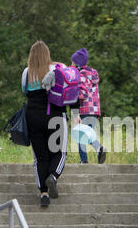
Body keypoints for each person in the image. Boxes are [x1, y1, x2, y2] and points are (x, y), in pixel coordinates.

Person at [21, 41, 68, 207]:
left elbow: (24, 91)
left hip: (33, 116)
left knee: (40, 157)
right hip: (54, 115)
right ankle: (53, 177)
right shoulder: (58, 68)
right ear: (47, 54)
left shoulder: (27, 72)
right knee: (59, 153)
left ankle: (43, 194)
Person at [71, 48, 106, 164]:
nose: (72, 64)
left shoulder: (81, 74)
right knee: (88, 134)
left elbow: (83, 93)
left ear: (77, 63)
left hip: (85, 109)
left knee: (81, 134)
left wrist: (72, 94)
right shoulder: (93, 73)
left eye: (73, 61)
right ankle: (99, 149)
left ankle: (84, 160)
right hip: (95, 110)